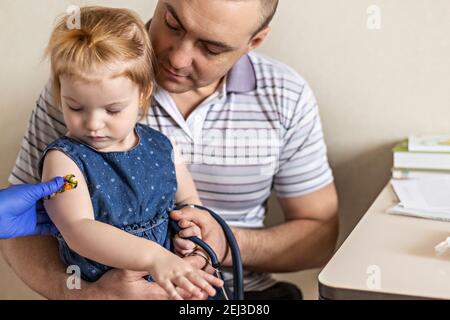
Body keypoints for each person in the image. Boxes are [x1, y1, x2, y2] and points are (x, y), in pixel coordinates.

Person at [2, 0, 339, 300]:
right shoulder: (84, 83)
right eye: (173, 24)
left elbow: (319, 234)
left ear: (254, 42)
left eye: (211, 48)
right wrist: (85, 294)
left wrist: (219, 242)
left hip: (233, 288)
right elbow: (20, 226)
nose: (177, 59)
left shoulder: (286, 95)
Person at [41, 6, 224, 300]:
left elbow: (190, 201)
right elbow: (78, 229)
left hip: (173, 282)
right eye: (75, 107)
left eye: (112, 109)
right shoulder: (63, 162)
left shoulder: (163, 147)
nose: (93, 124)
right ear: (59, 93)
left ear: (142, 95)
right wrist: (154, 257)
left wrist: (191, 231)